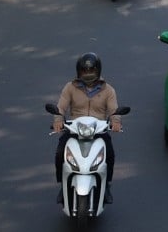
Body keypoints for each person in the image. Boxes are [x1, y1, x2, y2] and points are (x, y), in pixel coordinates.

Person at [52, 53, 122, 204]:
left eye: (92, 70)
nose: (88, 74)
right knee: (59, 153)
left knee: (109, 154)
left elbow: (114, 110)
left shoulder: (108, 90)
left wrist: (116, 122)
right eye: (85, 71)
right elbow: (61, 107)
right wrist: (58, 120)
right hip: (74, 129)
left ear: (98, 71)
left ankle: (107, 185)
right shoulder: (70, 88)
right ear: (79, 72)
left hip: (99, 130)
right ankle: (62, 183)